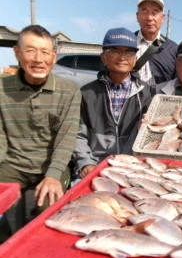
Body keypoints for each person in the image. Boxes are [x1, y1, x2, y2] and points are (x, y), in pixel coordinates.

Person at [0, 25, 81, 241]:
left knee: (47, 217)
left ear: (53, 57)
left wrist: (54, 175)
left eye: (45, 52)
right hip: (11, 165)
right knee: (7, 222)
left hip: (50, 165)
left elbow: (66, 137)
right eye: (30, 50)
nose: (38, 59)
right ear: (17, 52)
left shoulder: (69, 90)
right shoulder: (1, 88)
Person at [72, 27, 153, 180]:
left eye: (128, 52)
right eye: (115, 51)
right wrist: (85, 163)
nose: (122, 57)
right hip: (94, 166)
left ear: (135, 58)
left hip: (132, 168)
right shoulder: (87, 93)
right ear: (103, 57)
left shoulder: (147, 93)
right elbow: (77, 135)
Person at [135, 0, 178, 87]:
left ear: (163, 18)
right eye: (144, 12)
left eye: (154, 13)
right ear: (137, 16)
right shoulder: (126, 44)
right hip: (129, 100)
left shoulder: (174, 49)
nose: (149, 18)